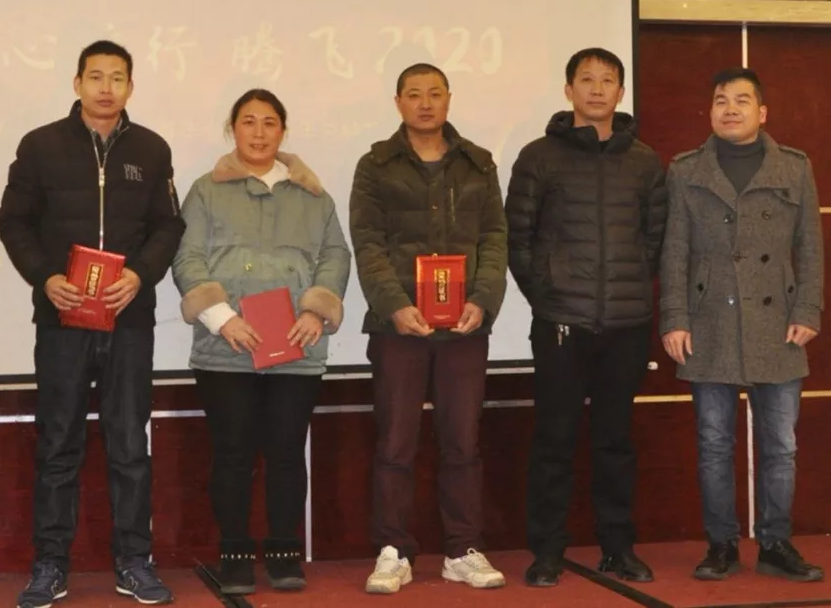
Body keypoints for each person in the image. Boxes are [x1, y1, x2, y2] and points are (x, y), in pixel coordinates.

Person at [0, 40, 184, 607]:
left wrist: (141, 276)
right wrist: (45, 277)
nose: (106, 88)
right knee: (59, 443)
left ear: (130, 86)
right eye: (96, 76)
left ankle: (134, 562)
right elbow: (13, 222)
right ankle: (50, 565)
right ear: (77, 83)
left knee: (129, 444)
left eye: (117, 77)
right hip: (63, 318)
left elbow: (168, 227)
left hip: (129, 320)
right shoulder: (40, 146)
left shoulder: (151, 149)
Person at [171, 89, 351, 596]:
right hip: (226, 348)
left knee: (287, 453)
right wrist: (221, 317)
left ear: (283, 131)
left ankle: (284, 551)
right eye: (248, 121)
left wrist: (316, 310)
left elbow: (335, 257)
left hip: (297, 346)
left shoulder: (314, 197)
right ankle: (233, 553)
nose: (258, 132)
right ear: (232, 129)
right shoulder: (205, 191)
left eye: (269, 122)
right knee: (232, 454)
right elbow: (187, 257)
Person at [505, 47, 666, 587]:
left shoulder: (644, 161)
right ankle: (547, 551)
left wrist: (630, 289)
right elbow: (518, 238)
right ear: (568, 89)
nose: (597, 89)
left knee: (615, 442)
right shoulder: (538, 156)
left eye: (608, 80)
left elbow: (655, 239)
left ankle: (618, 547)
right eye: (587, 79)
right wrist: (547, 295)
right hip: (560, 323)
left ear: (621, 92)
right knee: (553, 440)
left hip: (626, 324)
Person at [349, 63, 508, 594]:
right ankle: (393, 551)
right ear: (398, 102)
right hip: (398, 329)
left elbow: (494, 237)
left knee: (463, 442)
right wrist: (394, 304)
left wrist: (483, 300)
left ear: (448, 99)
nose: (424, 103)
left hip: (464, 329)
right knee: (396, 443)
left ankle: (462, 549)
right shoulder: (376, 164)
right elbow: (367, 242)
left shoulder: (478, 163)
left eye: (434, 93)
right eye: (414, 94)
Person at [660, 68, 824, 582]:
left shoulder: (794, 167)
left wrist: (808, 309)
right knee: (713, 444)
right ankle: (721, 544)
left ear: (762, 112)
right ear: (710, 110)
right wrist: (674, 318)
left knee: (781, 446)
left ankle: (775, 543)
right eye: (720, 100)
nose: (730, 109)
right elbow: (674, 251)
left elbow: (811, 246)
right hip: (709, 320)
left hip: (778, 323)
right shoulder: (686, 169)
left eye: (741, 100)